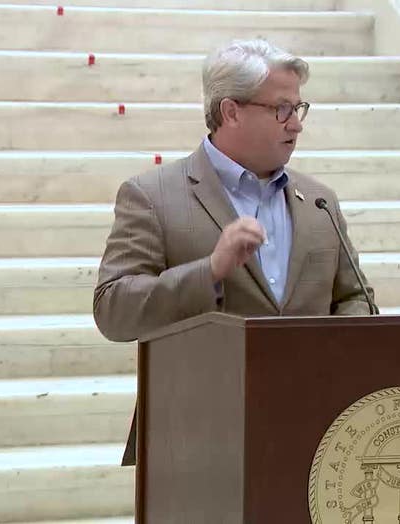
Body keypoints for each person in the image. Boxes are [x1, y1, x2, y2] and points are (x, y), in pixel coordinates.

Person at [92, 39, 376, 465]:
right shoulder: (153, 196)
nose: (295, 125)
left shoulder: (319, 202)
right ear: (231, 111)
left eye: (298, 109)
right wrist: (209, 272)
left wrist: (333, 353)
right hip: (197, 439)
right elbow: (113, 310)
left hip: (314, 432)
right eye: (281, 108)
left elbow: (355, 299)